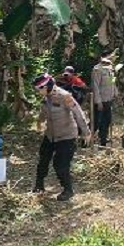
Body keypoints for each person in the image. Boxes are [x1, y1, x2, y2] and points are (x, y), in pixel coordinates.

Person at [32, 73, 91, 201]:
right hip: (50, 135)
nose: (38, 92)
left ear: (47, 86)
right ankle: (39, 184)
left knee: (60, 164)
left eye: (39, 89)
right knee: (43, 159)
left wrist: (86, 132)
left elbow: (78, 113)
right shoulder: (45, 97)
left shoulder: (64, 96)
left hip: (66, 136)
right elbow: (43, 112)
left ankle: (68, 189)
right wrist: (39, 122)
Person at [91, 50, 118, 146]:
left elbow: (112, 82)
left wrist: (116, 93)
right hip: (101, 100)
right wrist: (98, 102)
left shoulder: (110, 68)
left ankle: (103, 139)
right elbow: (95, 86)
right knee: (96, 121)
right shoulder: (97, 69)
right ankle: (87, 139)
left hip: (108, 99)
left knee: (107, 120)